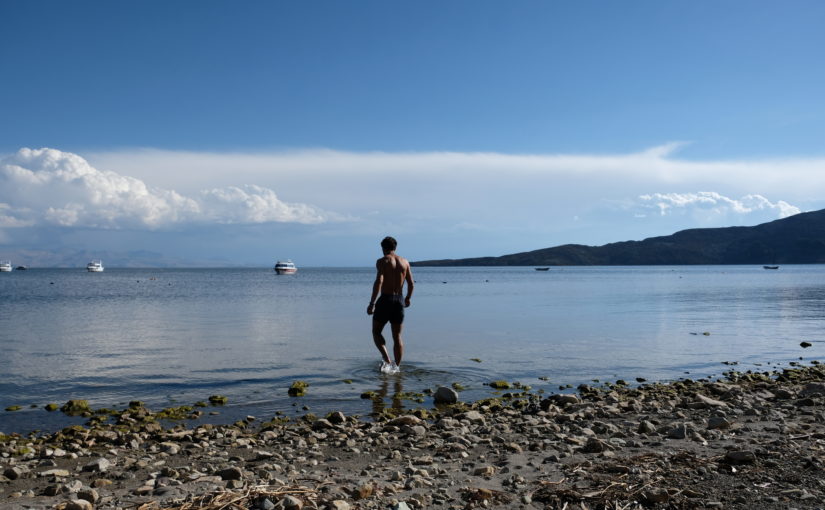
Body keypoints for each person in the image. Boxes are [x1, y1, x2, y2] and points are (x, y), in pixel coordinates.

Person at [367, 236, 414, 373]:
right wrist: (408, 298)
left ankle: (387, 359)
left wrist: (372, 303)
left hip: (385, 300)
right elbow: (411, 283)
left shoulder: (382, 261)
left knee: (376, 332)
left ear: (383, 248)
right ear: (395, 247)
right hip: (399, 301)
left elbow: (379, 281)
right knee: (397, 336)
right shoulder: (405, 262)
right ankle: (396, 367)